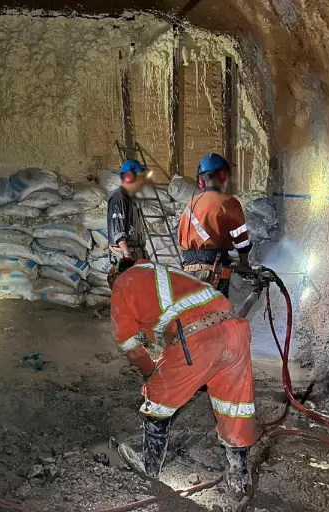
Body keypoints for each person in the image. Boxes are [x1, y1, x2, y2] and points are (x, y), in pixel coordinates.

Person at [108, 257, 256, 499]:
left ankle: (150, 466)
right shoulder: (163, 272)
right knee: (234, 406)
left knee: (157, 400)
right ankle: (239, 476)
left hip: (197, 339)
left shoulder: (122, 283)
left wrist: (149, 371)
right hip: (235, 331)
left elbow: (127, 343)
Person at [178, 153, 252, 297]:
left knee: (191, 309)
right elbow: (241, 240)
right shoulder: (228, 203)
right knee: (217, 309)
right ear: (223, 175)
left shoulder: (191, 203)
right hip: (213, 271)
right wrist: (244, 263)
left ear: (201, 179)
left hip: (187, 270)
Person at [107, 160, 150, 263]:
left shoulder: (130, 198)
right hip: (126, 256)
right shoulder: (118, 197)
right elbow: (118, 233)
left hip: (136, 254)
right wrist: (127, 256)